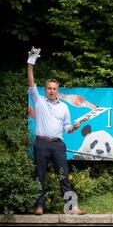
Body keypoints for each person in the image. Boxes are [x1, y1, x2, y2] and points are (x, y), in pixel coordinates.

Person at [27, 47, 86, 215]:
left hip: (58, 145)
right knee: (39, 176)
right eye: (49, 88)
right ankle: (40, 206)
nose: (52, 91)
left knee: (63, 176)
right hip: (41, 144)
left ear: (57, 90)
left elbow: (67, 128)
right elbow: (31, 84)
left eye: (54, 88)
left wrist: (73, 128)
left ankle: (72, 207)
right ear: (45, 90)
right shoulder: (39, 101)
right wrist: (31, 61)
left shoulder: (64, 108)